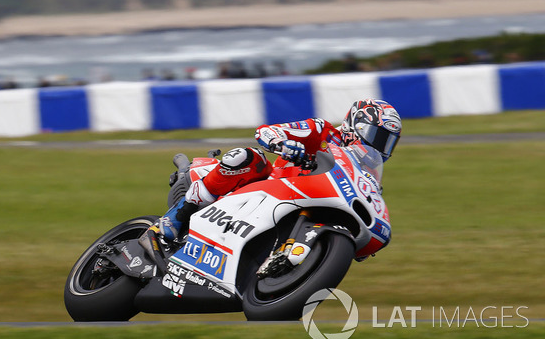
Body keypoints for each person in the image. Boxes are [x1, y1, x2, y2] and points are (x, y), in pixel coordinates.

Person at [140, 99, 402, 252]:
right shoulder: (322, 132)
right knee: (248, 157)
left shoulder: (366, 173)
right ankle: (175, 218)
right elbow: (267, 131)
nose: (380, 147)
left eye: (388, 143)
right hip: (270, 185)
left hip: (307, 204)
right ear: (355, 125)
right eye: (377, 137)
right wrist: (283, 144)